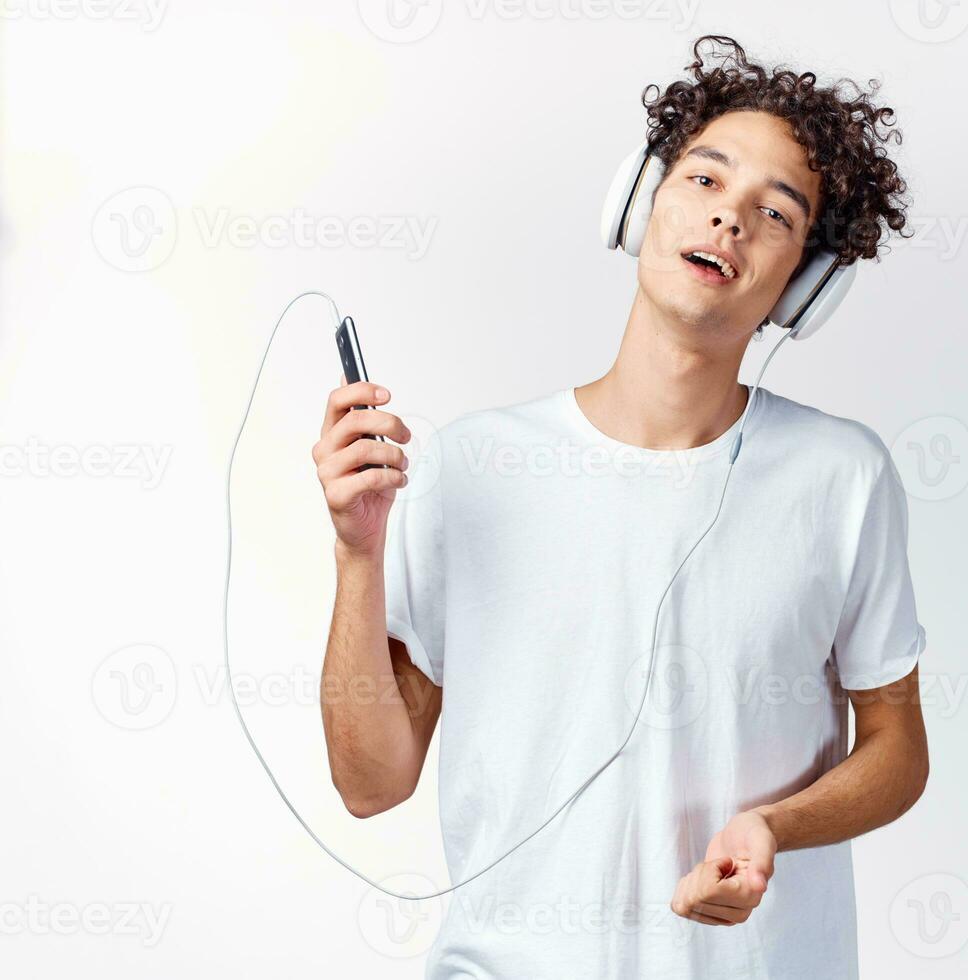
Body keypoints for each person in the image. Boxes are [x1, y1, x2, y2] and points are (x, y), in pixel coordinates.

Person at [312, 35, 927, 979]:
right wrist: (359, 558)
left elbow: (897, 749)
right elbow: (370, 785)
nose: (728, 221)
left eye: (774, 212)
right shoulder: (475, 467)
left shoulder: (842, 478)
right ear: (643, 204)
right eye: (706, 180)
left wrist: (773, 824)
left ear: (806, 285)